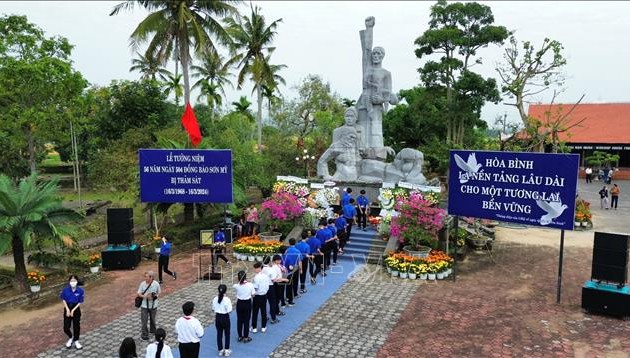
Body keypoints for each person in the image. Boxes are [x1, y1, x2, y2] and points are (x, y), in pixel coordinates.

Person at [357, 16, 398, 160]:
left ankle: (376, 155)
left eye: (378, 53)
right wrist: (369, 29)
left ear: (383, 56)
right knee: (362, 131)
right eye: (374, 53)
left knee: (375, 131)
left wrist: (381, 98)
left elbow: (390, 94)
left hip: (376, 107)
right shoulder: (367, 67)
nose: (375, 55)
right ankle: (362, 152)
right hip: (364, 103)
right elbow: (366, 51)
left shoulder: (386, 73)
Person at [60, 274, 84, 350]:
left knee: (76, 326)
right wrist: (67, 309)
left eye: (74, 281)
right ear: (69, 282)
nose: (73, 282)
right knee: (66, 327)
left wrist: (73, 310)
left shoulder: (80, 290)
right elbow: (63, 299)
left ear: (77, 281)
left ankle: (76, 340)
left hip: (76, 309)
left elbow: (80, 301)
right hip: (67, 308)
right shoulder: (65, 290)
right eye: (71, 281)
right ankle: (71, 337)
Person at [138, 271, 161, 341]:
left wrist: (155, 296)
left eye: (146, 277)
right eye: (144, 276)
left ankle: (153, 330)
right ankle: (144, 334)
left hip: (153, 305)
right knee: (144, 321)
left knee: (152, 319)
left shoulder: (156, 284)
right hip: (144, 305)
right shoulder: (142, 284)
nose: (145, 278)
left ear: (151, 277)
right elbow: (138, 293)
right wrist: (145, 296)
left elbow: (159, 292)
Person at [233, 271, 255, 343]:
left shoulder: (237, 286)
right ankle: (246, 337)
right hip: (247, 303)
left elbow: (235, 283)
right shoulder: (250, 285)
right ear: (245, 277)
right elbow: (253, 294)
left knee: (239, 320)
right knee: (246, 320)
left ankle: (240, 336)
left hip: (239, 303)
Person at [212, 284, 232, 357]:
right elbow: (229, 310)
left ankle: (220, 350)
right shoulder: (227, 299)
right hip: (225, 317)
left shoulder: (215, 299)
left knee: (219, 334)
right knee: (227, 334)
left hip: (218, 317)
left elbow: (213, 309)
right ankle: (226, 350)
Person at [251, 262, 271, 334]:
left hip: (257, 296)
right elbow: (267, 286)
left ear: (259, 268)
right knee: (263, 311)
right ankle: (263, 327)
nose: (254, 270)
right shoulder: (266, 276)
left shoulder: (256, 277)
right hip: (264, 295)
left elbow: (255, 287)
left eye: (255, 268)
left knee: (255, 312)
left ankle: (254, 328)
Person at [282, 238, 302, 306]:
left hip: (287, 268)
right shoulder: (297, 251)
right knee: (295, 282)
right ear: (295, 243)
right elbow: (299, 261)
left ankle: (287, 296)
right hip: (295, 268)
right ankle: (295, 294)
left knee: (288, 283)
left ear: (289, 243)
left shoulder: (287, 250)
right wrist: (301, 269)